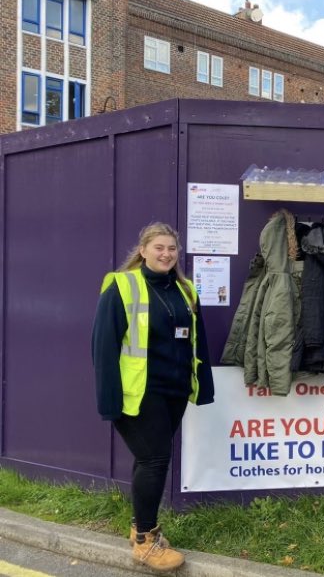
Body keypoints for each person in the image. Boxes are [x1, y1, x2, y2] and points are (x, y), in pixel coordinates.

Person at [92, 222, 214, 572]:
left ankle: (138, 526)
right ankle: (146, 540)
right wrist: (108, 400)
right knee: (155, 459)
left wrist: (202, 387)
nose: (166, 254)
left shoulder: (186, 290)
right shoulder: (122, 286)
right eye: (159, 247)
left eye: (171, 249)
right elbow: (103, 346)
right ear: (143, 250)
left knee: (151, 460)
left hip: (172, 392)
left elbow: (197, 342)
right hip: (138, 394)